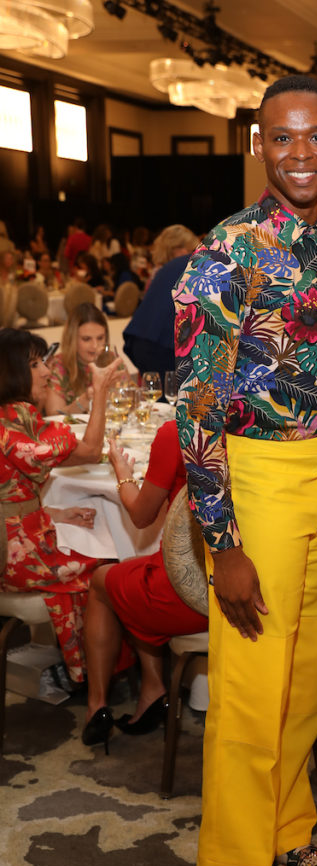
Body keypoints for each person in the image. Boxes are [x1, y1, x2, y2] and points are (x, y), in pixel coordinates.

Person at [173, 74, 317, 866]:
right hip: (253, 488)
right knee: (250, 693)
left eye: (315, 137)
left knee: (299, 683)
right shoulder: (228, 251)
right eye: (282, 137)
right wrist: (226, 544)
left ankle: (286, 834)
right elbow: (196, 408)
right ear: (259, 144)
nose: (300, 152)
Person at [0, 328, 122, 686]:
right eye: (35, 364)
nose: (46, 371)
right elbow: (90, 450)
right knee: (111, 565)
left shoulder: (12, 416)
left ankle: (87, 670)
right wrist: (100, 391)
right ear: (12, 370)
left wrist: (54, 513)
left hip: (17, 535)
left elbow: (9, 495)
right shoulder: (12, 425)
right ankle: (102, 675)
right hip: (9, 555)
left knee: (91, 540)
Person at [81, 422, 208, 752]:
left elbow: (140, 516)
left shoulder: (177, 431)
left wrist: (122, 474)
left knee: (102, 581)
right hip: (244, 589)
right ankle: (153, 689)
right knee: (134, 572)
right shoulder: (256, 425)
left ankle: (96, 707)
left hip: (188, 594)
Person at [123, 250, 191, 376]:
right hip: (166, 348)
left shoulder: (179, 263)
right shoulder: (218, 267)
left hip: (140, 339)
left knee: (154, 392)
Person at [45, 302, 108, 415]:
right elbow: (54, 417)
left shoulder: (111, 360)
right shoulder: (57, 366)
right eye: (86, 339)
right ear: (72, 339)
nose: (95, 345)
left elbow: (134, 401)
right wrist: (84, 400)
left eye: (100, 338)